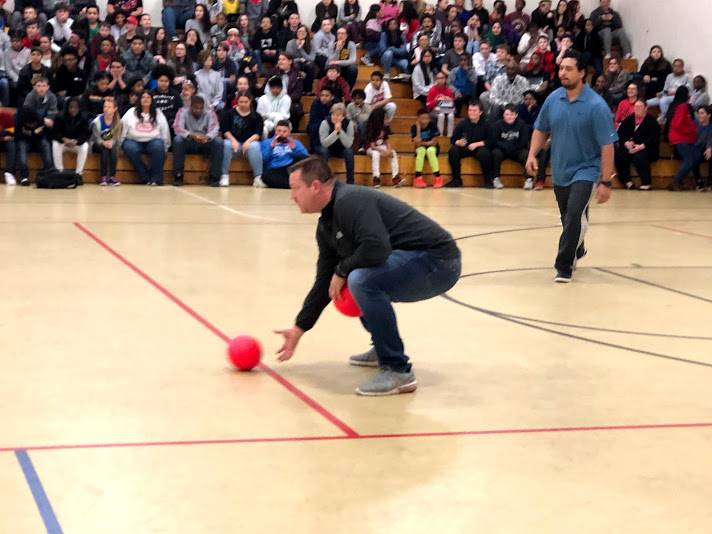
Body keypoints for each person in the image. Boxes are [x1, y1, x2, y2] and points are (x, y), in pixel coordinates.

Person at [275, 156, 461, 396]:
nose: (292, 197)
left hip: (438, 261)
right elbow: (324, 282)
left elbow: (377, 248)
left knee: (361, 279)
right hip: (416, 261)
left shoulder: (350, 201)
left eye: (295, 189)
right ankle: (382, 345)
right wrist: (299, 327)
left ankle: (398, 370)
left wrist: (342, 270)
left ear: (315, 186)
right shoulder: (327, 224)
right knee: (353, 280)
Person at [526, 50, 617, 283]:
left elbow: (607, 145)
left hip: (586, 170)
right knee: (570, 218)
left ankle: (563, 266)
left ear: (582, 73)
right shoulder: (553, 99)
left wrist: (605, 181)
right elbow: (541, 128)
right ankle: (578, 245)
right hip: (560, 170)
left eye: (569, 69)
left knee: (574, 214)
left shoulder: (597, 106)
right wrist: (532, 154)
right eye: (561, 68)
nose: (563, 73)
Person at [120, 90, 171, 185]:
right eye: (143, 97)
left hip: (153, 141)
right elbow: (122, 128)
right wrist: (119, 144)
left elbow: (165, 131)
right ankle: (145, 176)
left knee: (159, 146)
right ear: (139, 100)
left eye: (148, 97)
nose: (145, 99)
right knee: (129, 147)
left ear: (152, 100)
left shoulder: (158, 113)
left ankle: (156, 179)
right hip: (133, 140)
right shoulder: (131, 112)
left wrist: (166, 147)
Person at [172, 95, 223, 187]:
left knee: (218, 142)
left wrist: (207, 137)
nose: (198, 110)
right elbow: (177, 128)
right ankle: (178, 176)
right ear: (190, 106)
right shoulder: (182, 111)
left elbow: (215, 128)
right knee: (177, 140)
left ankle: (214, 178)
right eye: (195, 108)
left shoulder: (210, 112)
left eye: (201, 108)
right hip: (189, 141)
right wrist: (191, 135)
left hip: (205, 141)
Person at [221, 91, 264, 188]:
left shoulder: (256, 116)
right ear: (237, 101)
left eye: (246, 102)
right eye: (241, 102)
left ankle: (258, 177)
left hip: (248, 146)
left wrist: (248, 141)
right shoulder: (229, 113)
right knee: (226, 144)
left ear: (250, 101)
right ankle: (224, 175)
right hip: (234, 144)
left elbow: (258, 133)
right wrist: (233, 140)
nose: (243, 104)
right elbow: (225, 130)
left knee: (255, 145)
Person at [614, 99, 660, 191]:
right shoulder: (629, 119)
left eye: (640, 107)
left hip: (647, 148)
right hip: (631, 147)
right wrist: (626, 142)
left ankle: (646, 183)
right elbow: (620, 133)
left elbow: (654, 138)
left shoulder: (652, 121)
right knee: (620, 154)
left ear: (646, 108)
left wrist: (641, 146)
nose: (637, 109)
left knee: (640, 157)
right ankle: (626, 181)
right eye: (636, 107)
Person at [447, 100, 493, 188]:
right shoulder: (463, 123)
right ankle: (456, 179)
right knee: (453, 151)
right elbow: (453, 139)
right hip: (465, 147)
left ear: (480, 112)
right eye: (470, 110)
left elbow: (491, 140)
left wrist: (477, 144)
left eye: (474, 110)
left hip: (479, 147)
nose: (471, 113)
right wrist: (458, 142)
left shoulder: (487, 124)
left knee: (484, 153)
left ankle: (488, 180)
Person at [490, 104, 533, 190]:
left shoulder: (522, 124)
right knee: (495, 153)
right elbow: (495, 140)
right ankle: (496, 178)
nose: (509, 117)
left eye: (512, 114)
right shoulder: (498, 125)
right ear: (503, 115)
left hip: (517, 149)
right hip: (503, 149)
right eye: (507, 114)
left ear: (516, 115)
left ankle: (529, 179)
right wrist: (505, 147)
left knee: (526, 154)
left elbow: (524, 141)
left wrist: (513, 147)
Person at [260, 119, 309, 188]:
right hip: (275, 169)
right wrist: (271, 148)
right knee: (265, 176)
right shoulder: (267, 142)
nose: (281, 134)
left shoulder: (295, 143)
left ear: (289, 132)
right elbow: (263, 160)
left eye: (284, 131)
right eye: (279, 131)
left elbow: (306, 158)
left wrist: (294, 149)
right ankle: (293, 184)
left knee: (303, 159)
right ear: (275, 131)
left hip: (290, 168)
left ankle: (291, 183)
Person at [317, 103, 355, 184]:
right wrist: (335, 132)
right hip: (328, 148)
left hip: (342, 149)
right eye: (333, 114)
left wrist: (340, 131)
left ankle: (350, 181)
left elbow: (349, 144)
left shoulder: (349, 124)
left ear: (343, 116)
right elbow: (324, 143)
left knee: (349, 152)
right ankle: (323, 180)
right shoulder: (325, 123)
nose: (335, 117)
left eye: (338, 115)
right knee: (323, 151)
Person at [51, 97, 90, 176]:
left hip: (76, 143)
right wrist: (63, 139)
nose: (73, 110)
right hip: (63, 142)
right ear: (67, 108)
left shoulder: (83, 117)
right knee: (55, 144)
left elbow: (85, 134)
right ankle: (59, 172)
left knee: (85, 146)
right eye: (71, 107)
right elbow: (54, 133)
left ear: (79, 108)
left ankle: (78, 173)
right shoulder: (59, 116)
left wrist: (77, 141)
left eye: (75, 107)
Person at [364, 107, 401, 188]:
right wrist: (382, 151)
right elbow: (373, 146)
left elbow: (386, 141)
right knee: (376, 154)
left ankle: (396, 177)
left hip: (380, 146)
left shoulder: (385, 128)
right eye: (385, 119)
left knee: (393, 153)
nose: (387, 120)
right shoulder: (371, 129)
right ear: (378, 120)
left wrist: (389, 150)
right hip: (371, 148)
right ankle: (376, 178)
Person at [91, 98, 122, 186]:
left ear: (115, 109)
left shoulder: (118, 122)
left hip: (111, 144)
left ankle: (112, 177)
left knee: (113, 149)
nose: (106, 109)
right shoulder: (97, 121)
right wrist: (103, 142)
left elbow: (117, 137)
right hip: (97, 144)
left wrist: (112, 142)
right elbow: (95, 137)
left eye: (109, 107)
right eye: (105, 106)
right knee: (104, 149)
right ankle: (103, 177)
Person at [411, 108, 442, 188]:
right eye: (423, 119)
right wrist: (418, 128)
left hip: (433, 148)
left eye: (427, 118)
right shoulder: (414, 127)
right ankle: (418, 178)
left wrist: (423, 143)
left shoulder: (432, 125)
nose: (425, 121)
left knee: (430, 151)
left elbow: (434, 142)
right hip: (421, 148)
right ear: (418, 119)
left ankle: (438, 177)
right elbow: (417, 143)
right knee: (421, 151)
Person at [426, 71, 456, 137]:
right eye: (438, 78)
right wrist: (436, 100)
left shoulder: (448, 90)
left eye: (442, 78)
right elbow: (428, 105)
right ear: (436, 80)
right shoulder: (432, 90)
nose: (440, 80)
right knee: (441, 115)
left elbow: (452, 104)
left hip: (447, 108)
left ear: (445, 79)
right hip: (435, 110)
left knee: (451, 116)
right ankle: (440, 135)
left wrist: (449, 99)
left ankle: (450, 136)